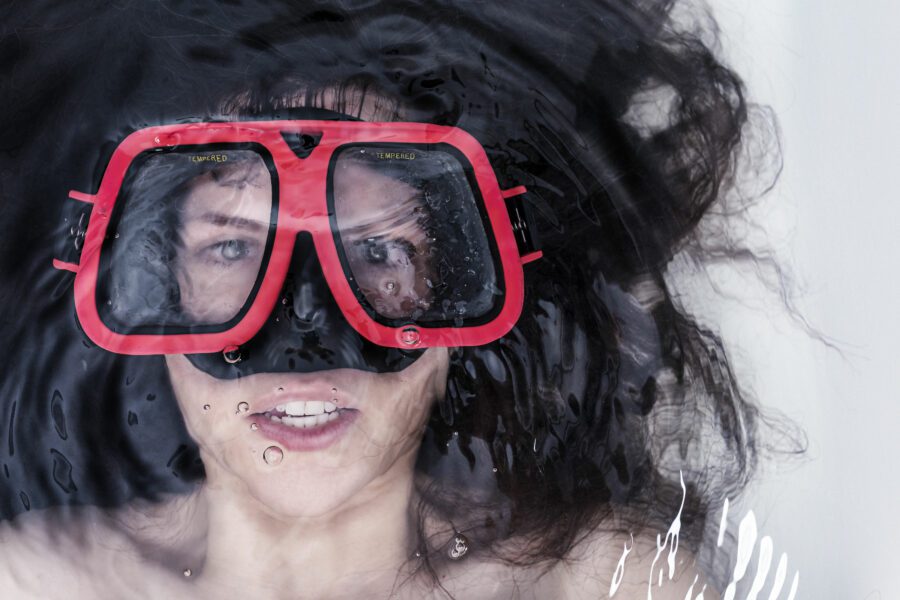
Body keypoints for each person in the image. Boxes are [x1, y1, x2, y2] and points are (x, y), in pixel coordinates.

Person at [0, 0, 777, 597]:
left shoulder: (600, 585)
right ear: (152, 281)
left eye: (378, 250)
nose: (304, 335)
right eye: (232, 248)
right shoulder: (36, 585)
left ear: (465, 291)